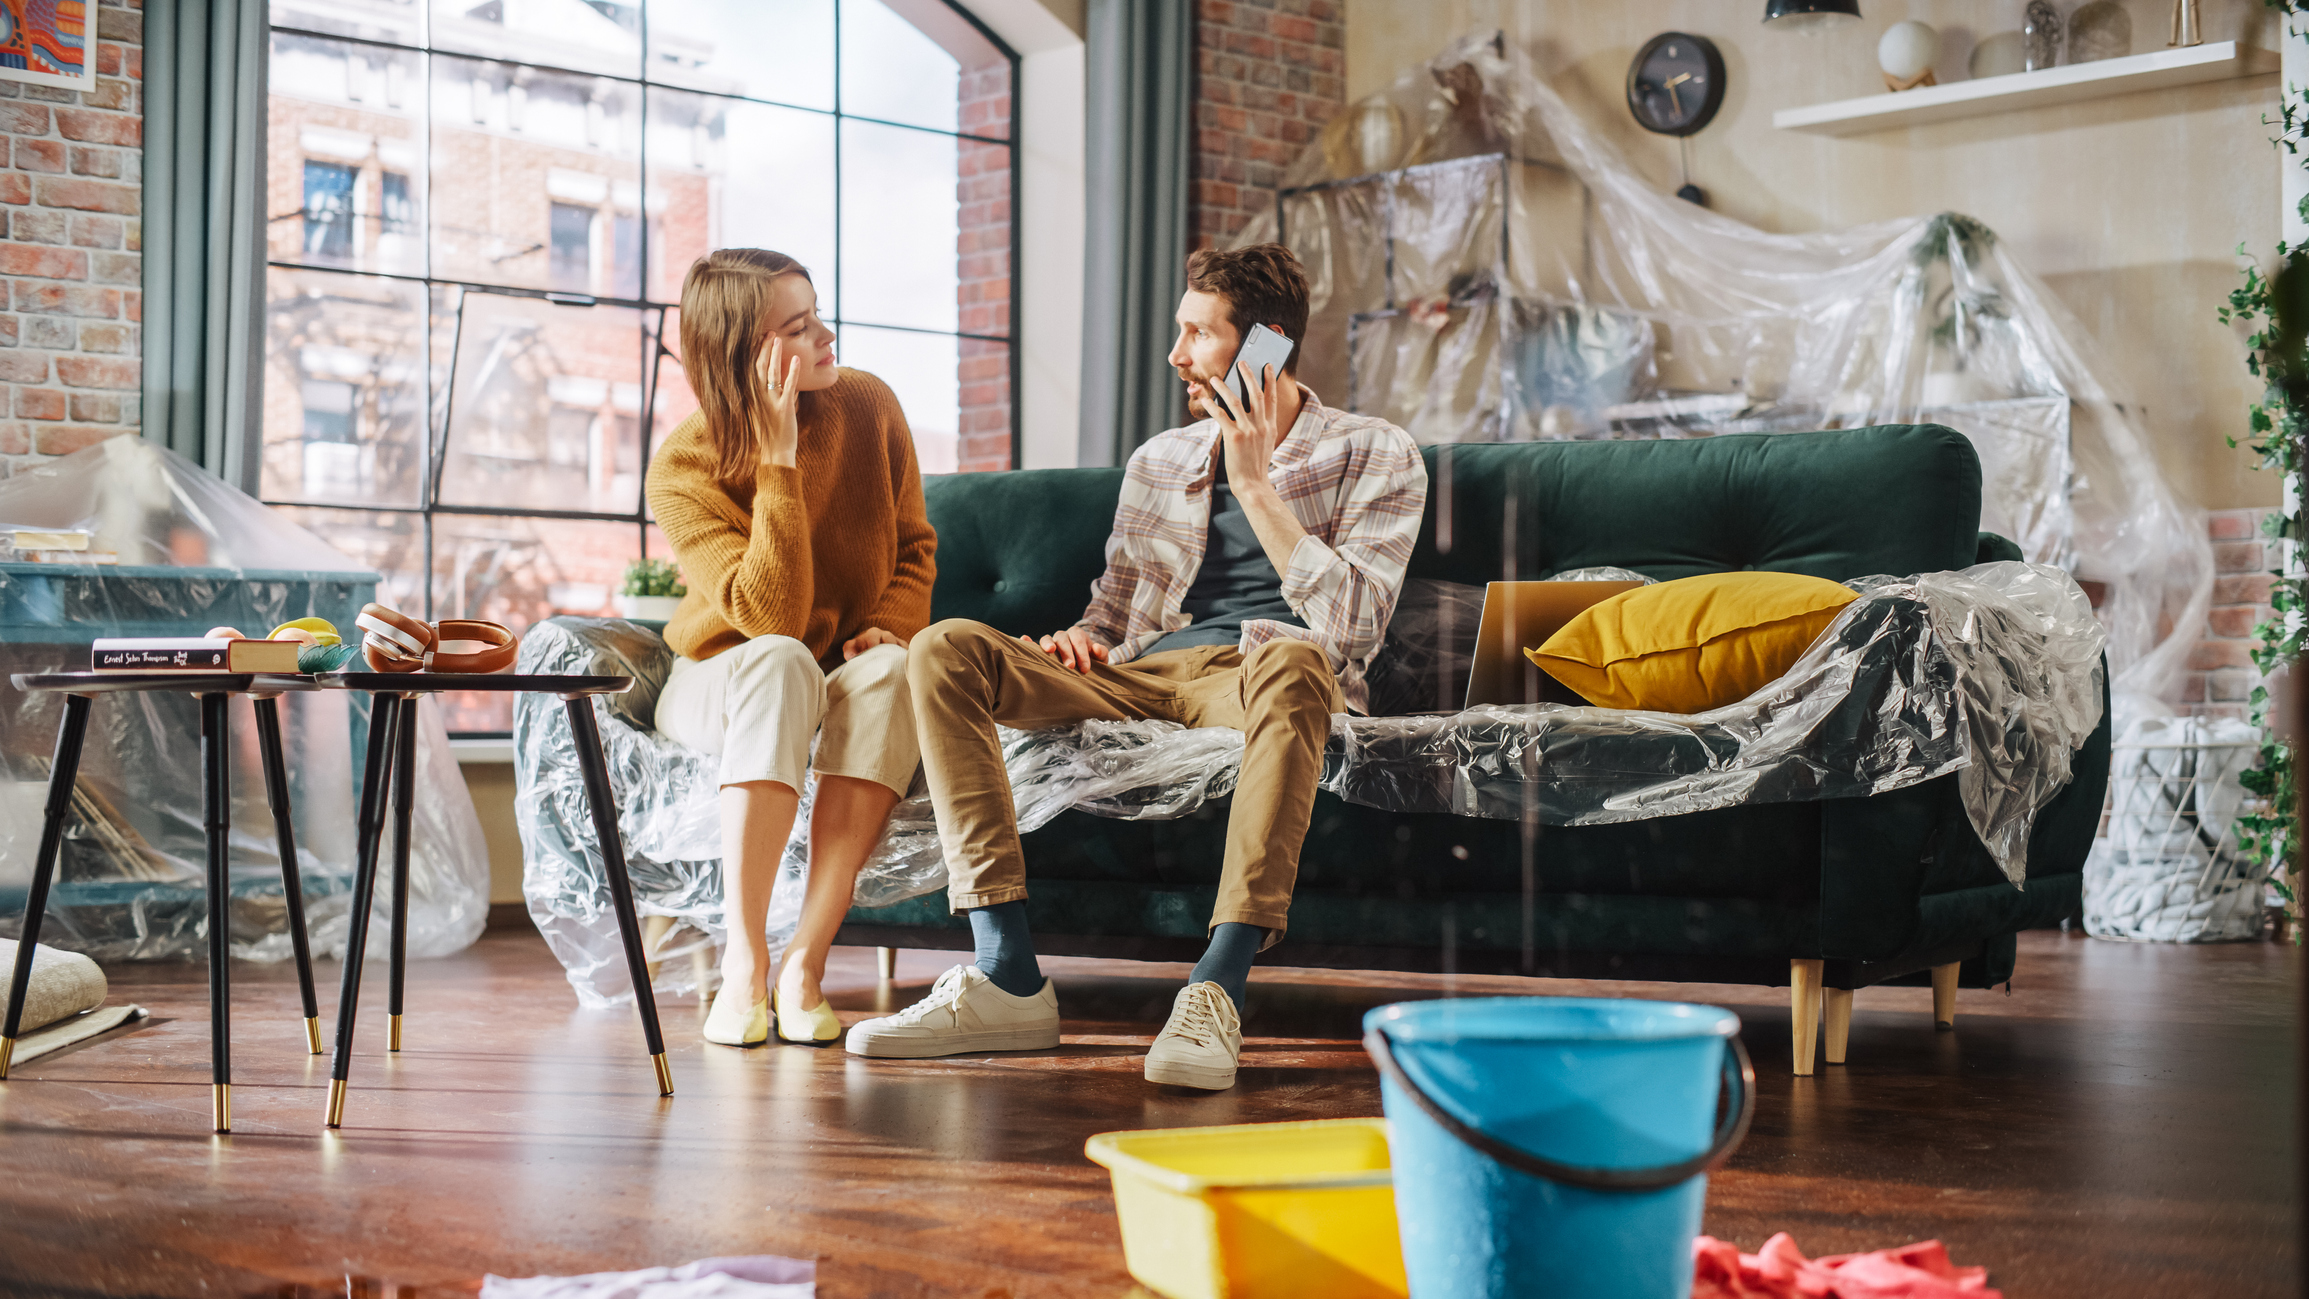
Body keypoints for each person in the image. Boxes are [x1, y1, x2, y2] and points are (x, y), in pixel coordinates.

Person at [847, 243, 1427, 1090]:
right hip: (1141, 676)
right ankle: (1005, 973)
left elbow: (1351, 628)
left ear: (1264, 344)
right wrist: (1084, 640)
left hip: (1262, 674)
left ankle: (1215, 986)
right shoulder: (1159, 459)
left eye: (1197, 334)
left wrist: (1255, 484)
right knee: (945, 647)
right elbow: (1117, 611)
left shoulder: (1375, 451)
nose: (1176, 355)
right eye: (1177, 331)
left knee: (1299, 660)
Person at [647, 248, 937, 1048]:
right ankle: (744, 963)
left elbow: (915, 545)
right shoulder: (682, 466)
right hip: (722, 674)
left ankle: (804, 963)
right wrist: (776, 463)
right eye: (801, 327)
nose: (827, 335)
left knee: (889, 670)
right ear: (747, 355)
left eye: (818, 316)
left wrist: (892, 623)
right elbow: (767, 617)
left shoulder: (869, 405)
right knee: (780, 660)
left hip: (834, 670)